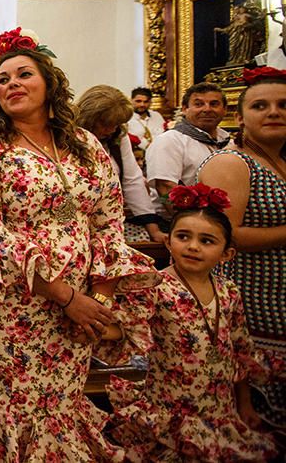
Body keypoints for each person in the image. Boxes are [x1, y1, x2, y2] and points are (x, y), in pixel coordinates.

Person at [0, 27, 158, 462]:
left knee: (57, 405)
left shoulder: (84, 144)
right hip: (5, 305)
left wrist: (98, 300)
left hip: (77, 305)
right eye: (3, 79)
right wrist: (65, 297)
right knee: (7, 406)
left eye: (24, 74)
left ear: (50, 84)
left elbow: (108, 221)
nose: (12, 84)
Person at [100, 184, 283, 461]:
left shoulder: (228, 291)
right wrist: (92, 323)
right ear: (168, 241)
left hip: (220, 412)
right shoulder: (155, 287)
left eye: (207, 241)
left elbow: (240, 352)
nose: (193, 246)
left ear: (227, 254)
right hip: (171, 413)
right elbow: (126, 330)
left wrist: (244, 404)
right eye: (183, 236)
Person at [198, 66, 286, 431]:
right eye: (260, 106)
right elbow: (223, 235)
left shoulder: (278, 160)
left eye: (283, 105)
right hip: (252, 300)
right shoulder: (232, 162)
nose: (274, 112)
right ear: (240, 117)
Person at [76, 85, 166, 245]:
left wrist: (153, 229)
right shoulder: (67, 137)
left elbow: (132, 180)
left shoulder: (118, 136)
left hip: (107, 220)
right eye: (106, 124)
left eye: (116, 124)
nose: (111, 130)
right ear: (89, 118)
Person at [146, 82, 229, 218]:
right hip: (178, 222)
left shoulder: (228, 142)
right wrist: (190, 223)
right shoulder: (170, 140)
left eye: (214, 104)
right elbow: (165, 187)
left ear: (225, 109)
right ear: (185, 109)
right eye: (199, 104)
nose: (207, 109)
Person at [127, 86, 165, 152]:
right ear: (131, 100)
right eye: (138, 101)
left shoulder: (156, 116)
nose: (142, 105)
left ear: (150, 102)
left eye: (146, 102)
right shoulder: (126, 118)